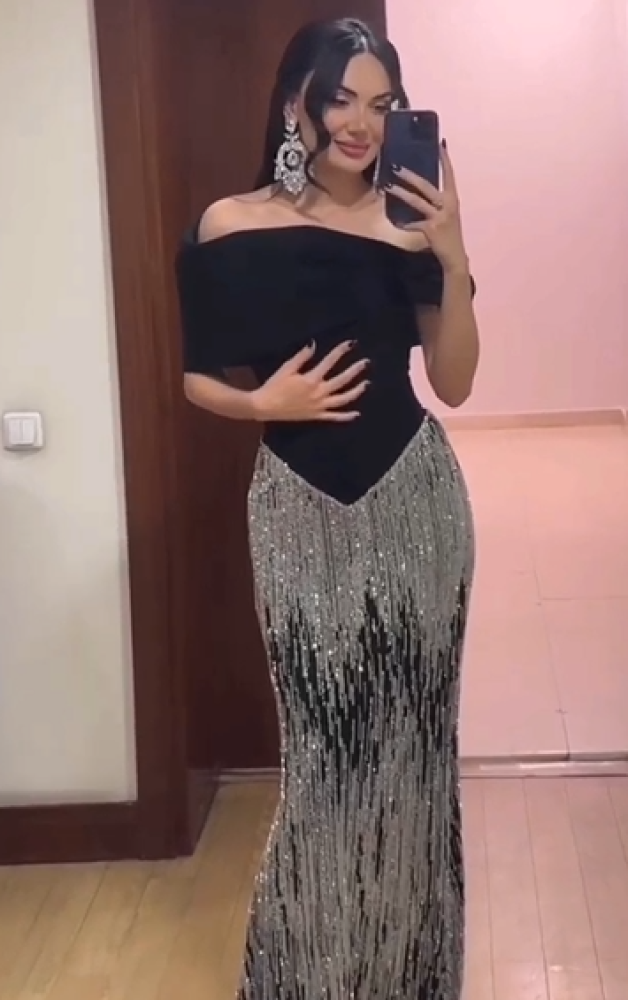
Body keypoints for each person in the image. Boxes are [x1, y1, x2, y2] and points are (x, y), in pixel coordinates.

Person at [175, 16, 478, 1000]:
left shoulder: (407, 221)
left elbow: (455, 380)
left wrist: (452, 254)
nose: (361, 122)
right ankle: (306, 978)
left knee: (415, 754)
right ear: (294, 102)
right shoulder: (229, 225)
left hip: (417, 502)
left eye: (381, 104)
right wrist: (265, 402)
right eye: (341, 97)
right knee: (325, 756)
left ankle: (410, 976)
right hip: (296, 509)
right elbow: (197, 377)